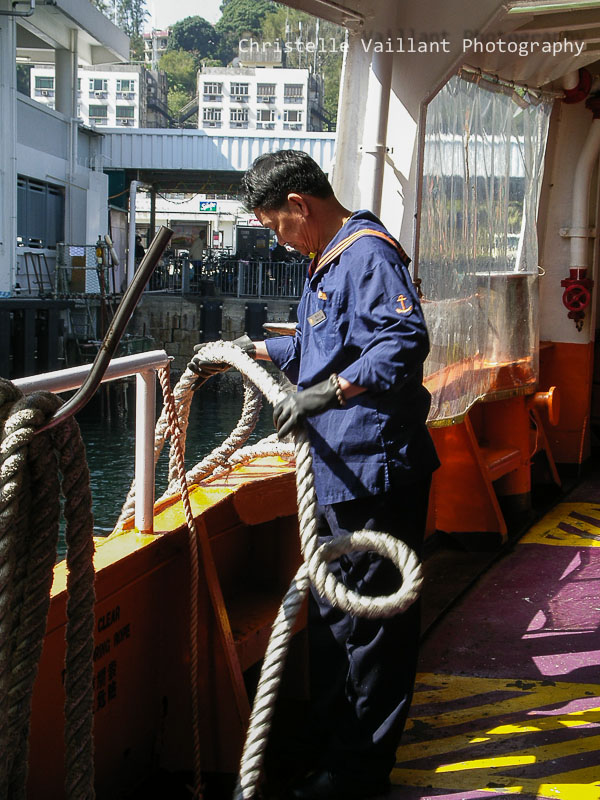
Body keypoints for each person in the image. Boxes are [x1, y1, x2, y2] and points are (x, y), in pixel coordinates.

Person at [189, 150, 439, 800]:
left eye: (276, 225)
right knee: (335, 619)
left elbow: (402, 341)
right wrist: (251, 350)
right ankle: (332, 746)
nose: (277, 238)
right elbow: (314, 343)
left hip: (373, 473)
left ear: (299, 205)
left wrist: (325, 394)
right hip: (335, 473)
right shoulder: (327, 262)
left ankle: (358, 773)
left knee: (371, 631)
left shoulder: (367, 255)